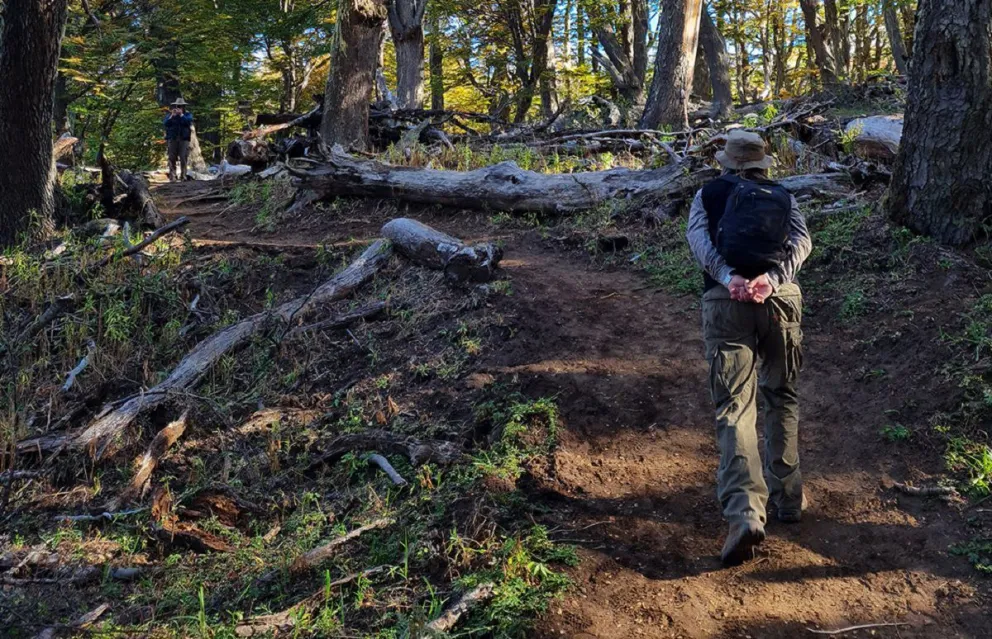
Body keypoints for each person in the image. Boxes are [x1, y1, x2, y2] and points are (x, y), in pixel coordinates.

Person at [685, 130, 813, 567]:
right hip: (782, 303)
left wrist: (728, 277)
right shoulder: (782, 195)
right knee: (783, 397)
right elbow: (802, 242)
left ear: (727, 162)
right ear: (762, 162)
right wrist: (772, 280)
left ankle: (745, 514)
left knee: (734, 407)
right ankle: (789, 498)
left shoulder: (707, 194)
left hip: (727, 305)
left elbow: (699, 242)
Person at [164, 98, 193, 181]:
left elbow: (188, 122)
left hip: (184, 140)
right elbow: (166, 124)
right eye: (177, 106)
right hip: (172, 139)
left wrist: (181, 115)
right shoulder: (171, 115)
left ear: (184, 107)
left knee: (183, 158)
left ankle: (183, 176)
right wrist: (172, 116)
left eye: (181, 106)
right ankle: (173, 176)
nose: (179, 107)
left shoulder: (187, 115)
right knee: (171, 158)